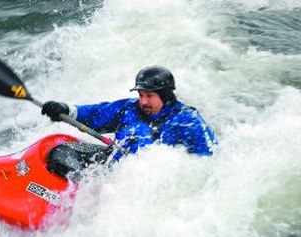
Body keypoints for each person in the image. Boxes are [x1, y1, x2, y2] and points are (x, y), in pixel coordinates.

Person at [42, 66, 216, 180]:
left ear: (165, 95)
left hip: (149, 182)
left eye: (150, 96)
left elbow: (207, 161)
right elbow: (95, 113)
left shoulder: (188, 121)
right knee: (59, 153)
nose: (144, 101)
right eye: (141, 95)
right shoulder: (129, 109)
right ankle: (78, 196)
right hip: (111, 166)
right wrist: (64, 110)